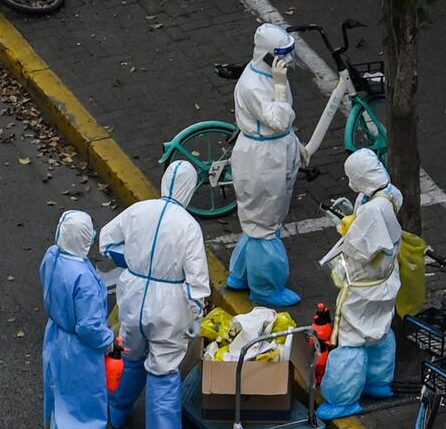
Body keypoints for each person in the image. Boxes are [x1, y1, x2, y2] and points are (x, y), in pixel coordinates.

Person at [100, 161, 211, 429]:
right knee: (163, 371)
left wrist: (134, 263)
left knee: (130, 355)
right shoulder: (189, 226)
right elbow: (197, 282)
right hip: (169, 308)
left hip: (133, 298)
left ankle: (115, 411)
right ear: (190, 189)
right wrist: (196, 316)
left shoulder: (139, 210)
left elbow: (106, 241)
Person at [317, 149, 403, 421]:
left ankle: (343, 398)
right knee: (379, 330)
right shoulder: (389, 193)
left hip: (363, 287)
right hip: (386, 281)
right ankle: (378, 381)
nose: (350, 182)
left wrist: (344, 226)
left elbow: (357, 246)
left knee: (351, 339)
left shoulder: (373, 211)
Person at [226, 23, 307, 307]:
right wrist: (280, 87)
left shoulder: (269, 75)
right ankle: (265, 286)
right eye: (283, 54)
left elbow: (283, 128)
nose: (288, 60)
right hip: (263, 159)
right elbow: (279, 120)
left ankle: (240, 274)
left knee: (258, 220)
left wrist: (295, 145)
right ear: (268, 54)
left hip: (274, 151)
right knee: (265, 224)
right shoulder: (254, 85)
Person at [41, 210, 114, 429]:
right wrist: (108, 341)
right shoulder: (84, 279)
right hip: (78, 350)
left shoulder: (52, 256)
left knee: (58, 392)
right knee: (81, 407)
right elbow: (89, 326)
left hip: (55, 335)